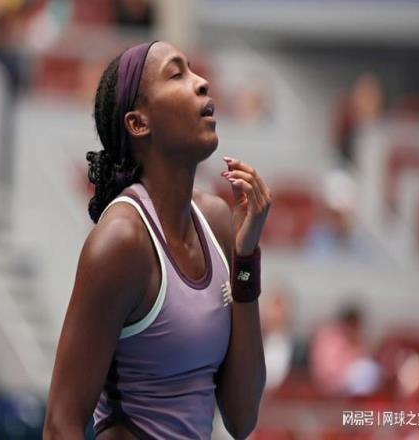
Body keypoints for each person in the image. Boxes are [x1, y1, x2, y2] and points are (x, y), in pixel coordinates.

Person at [43, 41, 271, 439]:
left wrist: (245, 258)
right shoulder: (121, 242)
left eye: (194, 70)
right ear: (138, 123)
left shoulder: (217, 220)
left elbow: (242, 417)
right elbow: (60, 424)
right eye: (177, 74)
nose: (202, 82)